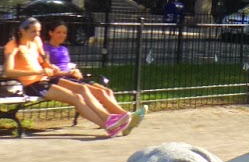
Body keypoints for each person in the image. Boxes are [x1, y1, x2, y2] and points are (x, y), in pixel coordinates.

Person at [2, 17, 137, 135]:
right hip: (32, 85)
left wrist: (49, 67)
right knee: (77, 98)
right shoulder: (13, 46)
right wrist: (38, 72)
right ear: (22, 31)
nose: (37, 34)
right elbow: (8, 72)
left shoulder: (35, 42)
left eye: (38, 31)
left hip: (44, 80)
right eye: (33, 31)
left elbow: (43, 62)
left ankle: (109, 122)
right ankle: (108, 122)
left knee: (80, 94)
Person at [43, 21, 147, 132]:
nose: (62, 35)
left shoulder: (63, 49)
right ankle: (126, 116)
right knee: (95, 92)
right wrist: (69, 73)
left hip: (73, 77)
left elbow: (66, 65)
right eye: (58, 32)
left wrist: (74, 70)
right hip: (61, 79)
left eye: (64, 33)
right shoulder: (46, 48)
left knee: (107, 92)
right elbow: (49, 70)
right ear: (50, 33)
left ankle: (122, 122)